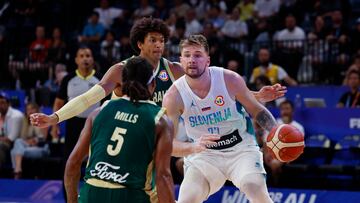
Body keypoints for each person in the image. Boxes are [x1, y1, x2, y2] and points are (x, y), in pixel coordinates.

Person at [30, 17, 286, 128]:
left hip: (151, 137)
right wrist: (55, 117)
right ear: (139, 43)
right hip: (122, 131)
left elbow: (213, 87)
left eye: (162, 40)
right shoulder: (121, 70)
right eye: (152, 39)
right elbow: (90, 98)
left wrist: (257, 96)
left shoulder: (173, 69)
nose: (159, 44)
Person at [162, 34, 275, 203]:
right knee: (187, 199)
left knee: (257, 192)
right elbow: (168, 145)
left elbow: (257, 110)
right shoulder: (173, 96)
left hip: (241, 149)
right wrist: (193, 147)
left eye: (197, 55)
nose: (192, 60)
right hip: (204, 155)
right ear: (181, 60)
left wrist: (276, 132)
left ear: (207, 60)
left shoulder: (229, 79)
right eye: (187, 55)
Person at [64, 56, 175, 203]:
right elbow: (163, 176)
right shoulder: (160, 120)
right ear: (153, 84)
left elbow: (73, 163)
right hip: (130, 195)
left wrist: (72, 201)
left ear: (122, 84)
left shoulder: (99, 112)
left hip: (92, 193)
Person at [11, 102, 49, 179]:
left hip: (41, 149)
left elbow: (43, 139)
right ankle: (18, 170)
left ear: (37, 110)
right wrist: (29, 141)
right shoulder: (25, 122)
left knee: (14, 151)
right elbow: (23, 138)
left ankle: (17, 171)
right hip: (27, 148)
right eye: (28, 109)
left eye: (32, 108)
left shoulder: (44, 120)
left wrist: (33, 140)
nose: (30, 111)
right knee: (17, 144)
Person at [0, 92, 24, 171]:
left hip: (15, 144)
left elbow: (11, 138)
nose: (0, 105)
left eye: (2, 102)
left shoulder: (16, 115)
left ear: (8, 103)